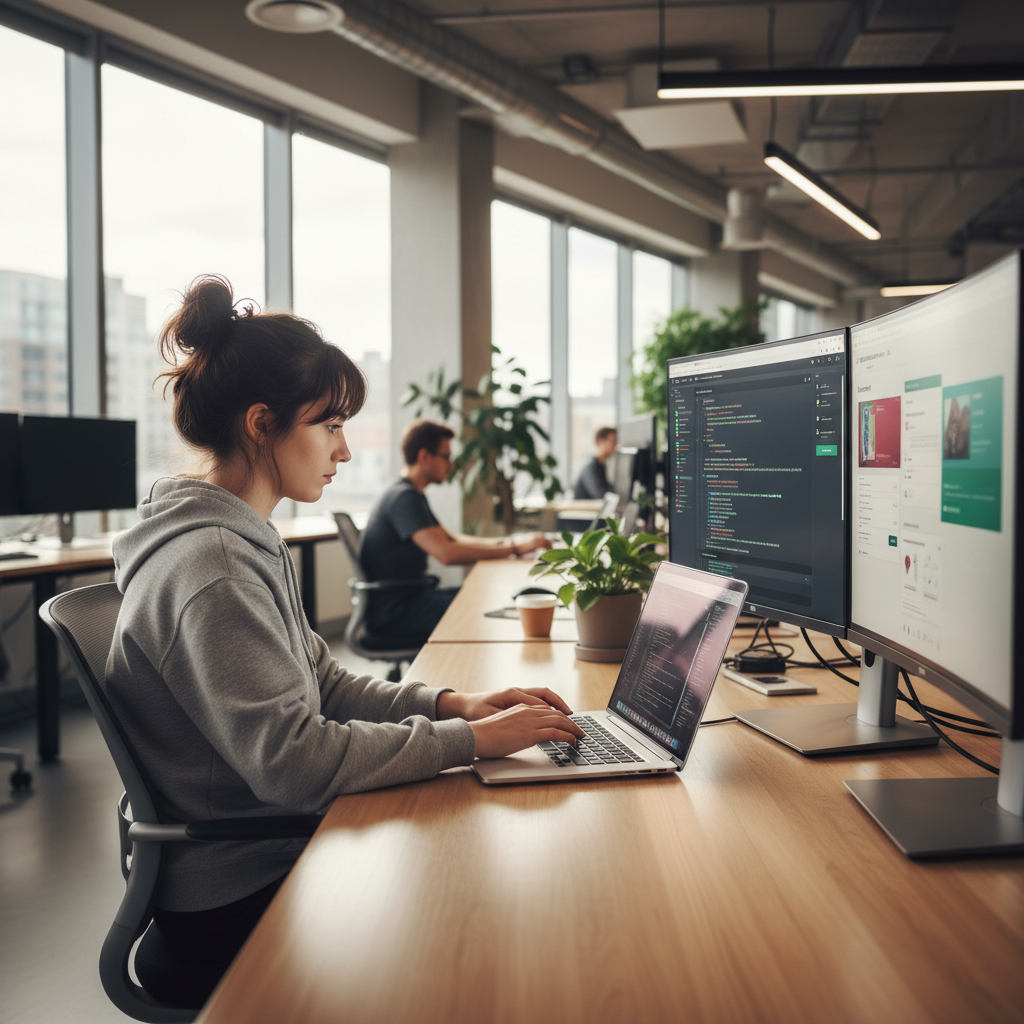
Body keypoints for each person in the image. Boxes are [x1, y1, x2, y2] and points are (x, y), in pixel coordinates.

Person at [105, 276, 583, 1007]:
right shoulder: (216, 565)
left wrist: (459, 704)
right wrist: (472, 743)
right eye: (329, 425)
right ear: (263, 424)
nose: (346, 451)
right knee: (502, 912)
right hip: (239, 885)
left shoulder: (241, 541)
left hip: (269, 840)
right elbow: (292, 763)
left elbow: (325, 685)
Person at [359, 418, 551, 645]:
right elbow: (446, 553)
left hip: (411, 599)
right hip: (396, 612)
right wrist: (515, 548)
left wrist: (508, 544)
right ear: (424, 457)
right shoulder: (403, 498)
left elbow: (451, 538)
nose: (451, 466)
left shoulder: (411, 494)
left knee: (479, 597)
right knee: (483, 606)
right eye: (446, 457)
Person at [573, 425, 618, 499]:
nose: (615, 446)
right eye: (613, 441)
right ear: (600, 441)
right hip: (585, 509)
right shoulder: (591, 467)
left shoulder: (602, 465)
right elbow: (600, 494)